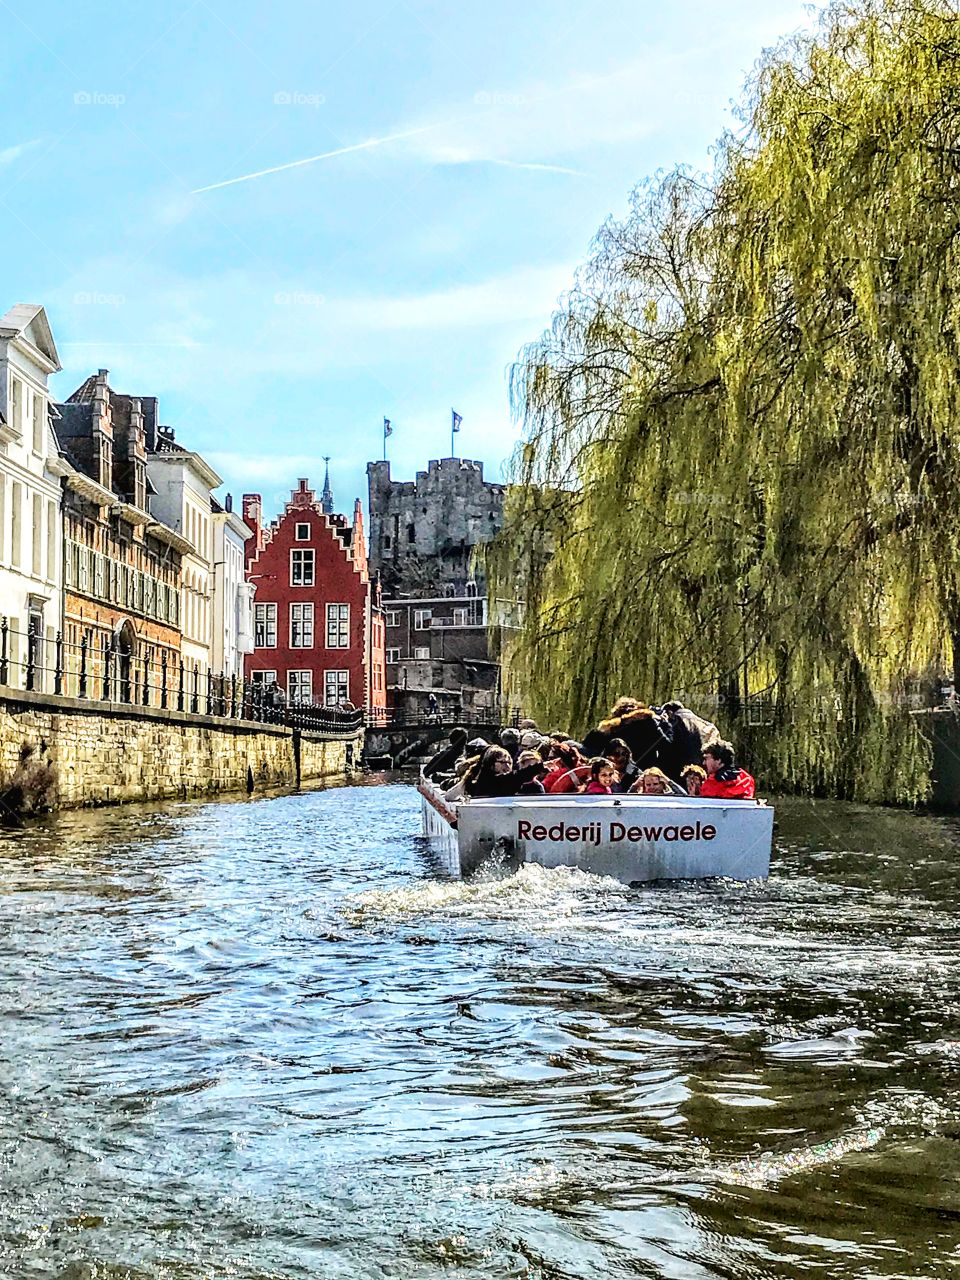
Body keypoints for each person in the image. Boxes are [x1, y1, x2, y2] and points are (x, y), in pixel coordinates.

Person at [581, 696, 673, 771]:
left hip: (613, 773)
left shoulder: (609, 728)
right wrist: (665, 723)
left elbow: (587, 747)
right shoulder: (648, 724)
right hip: (645, 774)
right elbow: (666, 745)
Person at [657, 700, 720, 781]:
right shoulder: (708, 725)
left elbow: (666, 746)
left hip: (677, 771)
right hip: (702, 771)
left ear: (669, 712)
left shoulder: (671, 722)